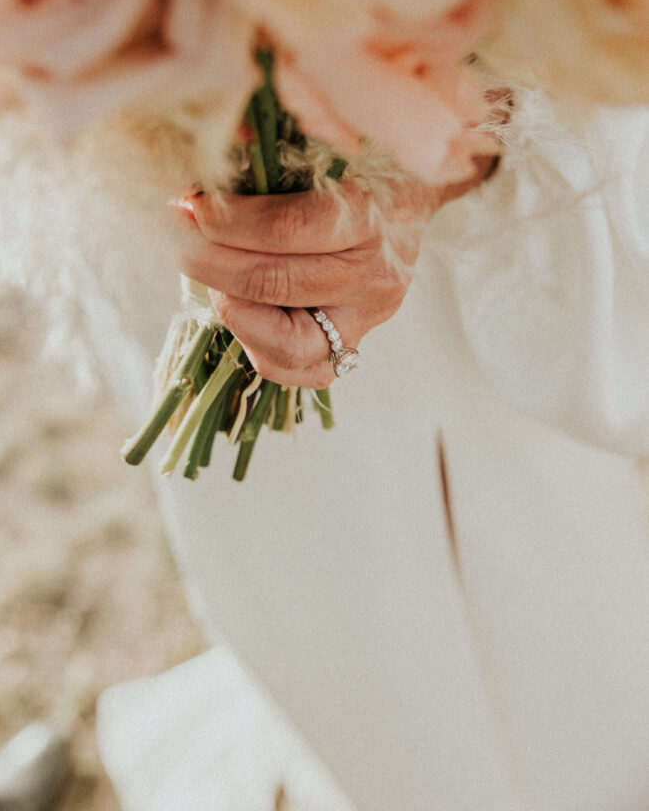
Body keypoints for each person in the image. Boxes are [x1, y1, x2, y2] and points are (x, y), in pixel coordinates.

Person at [97, 97, 649, 811]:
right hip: (157, 170)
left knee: (548, 626)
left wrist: (451, 151)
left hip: (468, 224)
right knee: (313, 599)